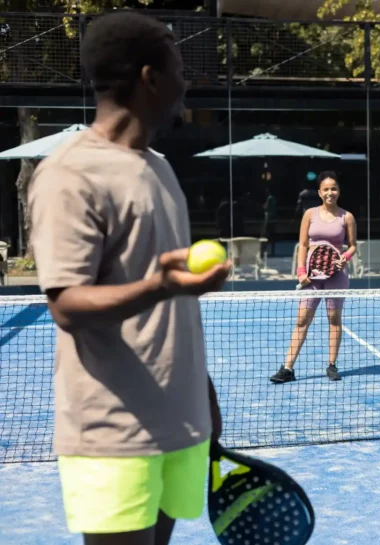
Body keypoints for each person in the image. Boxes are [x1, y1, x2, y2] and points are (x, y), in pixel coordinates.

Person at [27, 11, 231, 545]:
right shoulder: (69, 173)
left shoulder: (159, 168)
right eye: (180, 70)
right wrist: (157, 287)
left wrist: (203, 394)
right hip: (114, 431)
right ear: (150, 78)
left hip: (180, 420)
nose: (187, 84)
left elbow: (175, 310)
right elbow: (66, 304)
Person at [270, 171, 357, 384]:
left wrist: (345, 257)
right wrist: (301, 271)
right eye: (326, 189)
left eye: (333, 188)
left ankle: (332, 365)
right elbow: (303, 245)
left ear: (339, 191)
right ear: (319, 192)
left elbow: (353, 246)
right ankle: (288, 369)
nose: (330, 193)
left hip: (336, 276)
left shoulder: (346, 217)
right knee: (302, 320)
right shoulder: (310, 214)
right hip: (311, 277)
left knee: (334, 320)